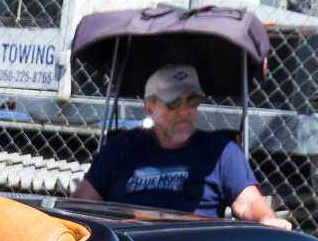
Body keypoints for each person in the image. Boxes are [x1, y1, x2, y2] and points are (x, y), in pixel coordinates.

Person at [72, 64, 289, 227]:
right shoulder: (120, 148)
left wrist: (266, 218)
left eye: (192, 100)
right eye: (174, 102)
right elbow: (82, 202)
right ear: (150, 108)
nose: (184, 110)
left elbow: (249, 202)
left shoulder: (221, 151)